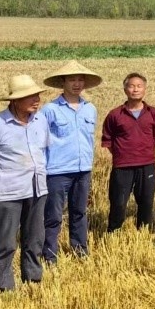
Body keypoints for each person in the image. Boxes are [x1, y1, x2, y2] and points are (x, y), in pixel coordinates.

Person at [0, 75, 50, 291]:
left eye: (37, 95)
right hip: (8, 191)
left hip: (37, 188)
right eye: (30, 96)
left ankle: (33, 279)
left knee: (35, 238)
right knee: (6, 242)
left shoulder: (41, 120)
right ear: (14, 100)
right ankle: (3, 286)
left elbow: (44, 150)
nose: (36, 99)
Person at [40, 61, 102, 262]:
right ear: (62, 83)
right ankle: (50, 256)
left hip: (83, 169)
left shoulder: (90, 109)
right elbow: (39, 139)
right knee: (53, 216)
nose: (77, 83)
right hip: (57, 171)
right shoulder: (50, 110)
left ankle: (80, 251)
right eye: (72, 79)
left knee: (79, 212)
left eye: (80, 79)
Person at [102, 72, 155, 231]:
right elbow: (108, 139)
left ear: (145, 89)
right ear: (125, 90)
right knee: (118, 202)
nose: (135, 89)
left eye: (139, 86)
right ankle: (113, 233)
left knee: (146, 202)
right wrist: (122, 154)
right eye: (131, 86)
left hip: (147, 165)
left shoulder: (153, 113)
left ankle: (143, 234)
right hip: (122, 166)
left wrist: (144, 150)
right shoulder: (115, 114)